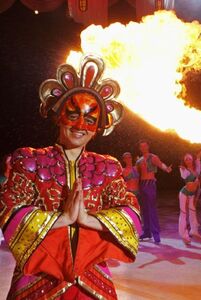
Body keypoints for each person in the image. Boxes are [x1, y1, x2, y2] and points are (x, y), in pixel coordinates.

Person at [0, 55, 141, 299]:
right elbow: (10, 210)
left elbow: (131, 215)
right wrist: (63, 218)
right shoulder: (30, 160)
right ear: (57, 115)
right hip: (37, 279)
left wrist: (87, 219)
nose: (80, 125)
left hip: (92, 282)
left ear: (98, 128)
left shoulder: (107, 167)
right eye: (73, 115)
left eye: (90, 119)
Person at [136, 140, 172, 244]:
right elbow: (137, 174)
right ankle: (147, 232)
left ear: (148, 146)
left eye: (145, 146)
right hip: (142, 185)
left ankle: (156, 234)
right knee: (145, 210)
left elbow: (161, 165)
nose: (143, 148)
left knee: (152, 209)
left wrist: (166, 169)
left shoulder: (153, 157)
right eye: (141, 146)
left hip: (150, 185)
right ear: (140, 148)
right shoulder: (139, 161)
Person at [178, 153, 201, 245]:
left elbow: (198, 162)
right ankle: (184, 236)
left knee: (193, 212)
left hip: (192, 194)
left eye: (189, 159)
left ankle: (194, 231)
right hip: (184, 194)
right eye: (186, 159)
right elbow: (184, 176)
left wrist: (199, 157)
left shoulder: (196, 169)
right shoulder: (184, 170)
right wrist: (183, 169)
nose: (188, 161)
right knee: (184, 214)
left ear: (192, 160)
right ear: (184, 161)